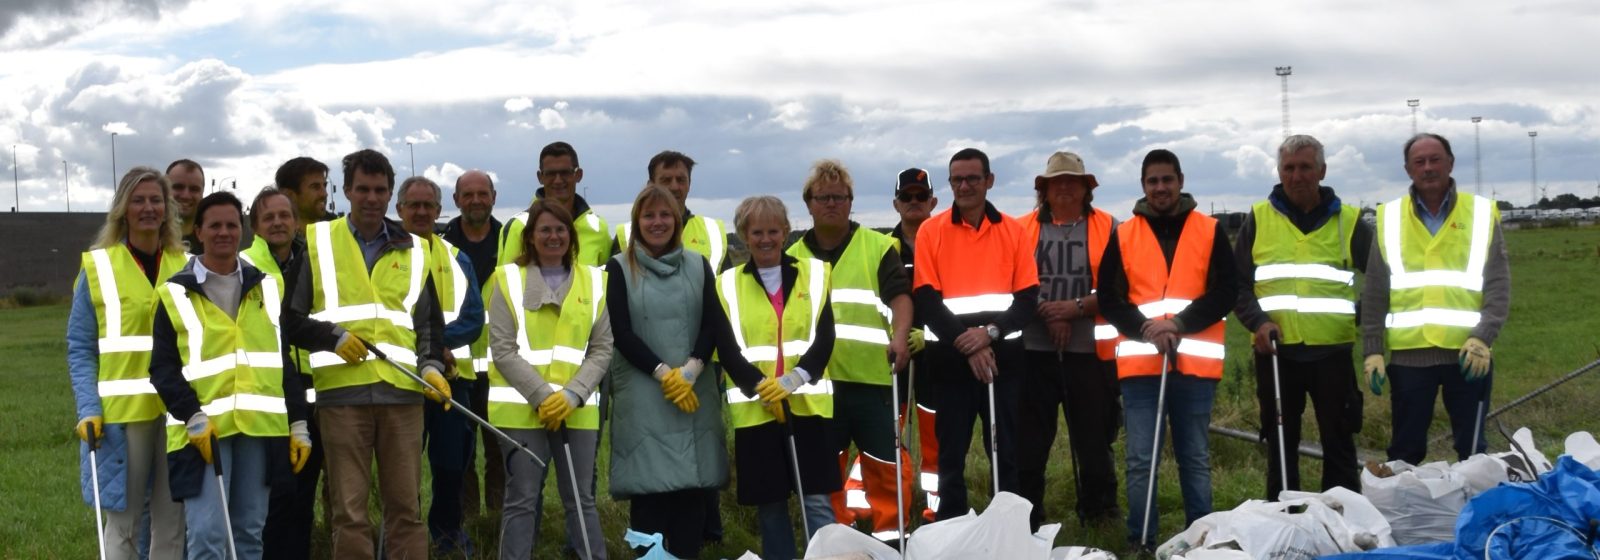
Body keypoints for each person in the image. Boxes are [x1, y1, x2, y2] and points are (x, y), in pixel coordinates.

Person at [279, 149, 452, 559]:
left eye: (379, 190)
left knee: (407, 511)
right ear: (348, 191)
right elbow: (289, 319)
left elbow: (428, 325)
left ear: (391, 194)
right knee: (350, 514)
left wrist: (430, 368)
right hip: (341, 399)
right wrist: (333, 337)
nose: (371, 198)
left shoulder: (415, 250)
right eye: (363, 189)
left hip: (403, 396)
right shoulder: (317, 243)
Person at [149, 191, 313, 559]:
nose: (224, 232)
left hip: (260, 430)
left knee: (249, 534)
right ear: (199, 231)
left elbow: (282, 362)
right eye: (215, 225)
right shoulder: (174, 293)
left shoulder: (266, 287)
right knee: (207, 536)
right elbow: (162, 368)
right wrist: (192, 417)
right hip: (204, 432)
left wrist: (299, 424)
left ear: (242, 230)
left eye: (231, 225)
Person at [1098, 149, 1236, 551]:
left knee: (1195, 458)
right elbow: (1109, 297)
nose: (1160, 188)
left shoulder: (1208, 230)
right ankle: (1141, 540)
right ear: (1143, 186)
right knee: (1141, 461)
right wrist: (1144, 328)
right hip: (1142, 366)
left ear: (1180, 180)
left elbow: (1226, 291)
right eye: (1152, 181)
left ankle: (1202, 541)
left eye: (1167, 180)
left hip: (1195, 364)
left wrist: (1179, 324)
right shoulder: (1123, 234)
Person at [1362, 133, 1510, 464]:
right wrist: (1372, 350)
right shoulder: (1389, 217)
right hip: (1409, 359)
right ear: (1408, 169)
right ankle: (1405, 514)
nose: (1428, 168)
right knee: (1405, 451)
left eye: (1435, 159)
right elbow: (1374, 291)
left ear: (1451, 163)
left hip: (1469, 355)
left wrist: (1483, 338)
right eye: (1420, 162)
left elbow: (1499, 284)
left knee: (1473, 450)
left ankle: (1473, 514)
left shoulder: (1481, 213)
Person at [1234, 135, 1370, 496]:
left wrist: (1358, 314)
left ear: (1321, 171)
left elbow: (1384, 278)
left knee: (1339, 442)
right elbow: (1236, 284)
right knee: (1280, 445)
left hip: (1333, 353)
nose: (1297, 176)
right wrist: (1258, 323)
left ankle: (1344, 526)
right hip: (1277, 355)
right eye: (1289, 168)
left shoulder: (1349, 221)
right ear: (1279, 172)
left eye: (1305, 167)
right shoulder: (1259, 219)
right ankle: (1284, 518)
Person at [786, 159, 914, 543]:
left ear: (850, 202)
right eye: (823, 197)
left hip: (873, 378)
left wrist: (902, 335)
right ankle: (838, 542)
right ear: (808, 203)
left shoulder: (876, 247)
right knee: (829, 469)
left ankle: (893, 540)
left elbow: (901, 297)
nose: (831, 204)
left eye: (839, 197)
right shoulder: (792, 256)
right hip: (818, 386)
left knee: (884, 465)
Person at [67, 166, 189, 560]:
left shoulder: (186, 266)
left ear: (168, 209)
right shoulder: (97, 268)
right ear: (123, 209)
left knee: (173, 523)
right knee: (123, 524)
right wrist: (88, 408)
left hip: (177, 413)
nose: (148, 208)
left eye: (156, 200)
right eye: (138, 200)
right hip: (123, 416)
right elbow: (80, 346)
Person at [612, 150, 733, 545]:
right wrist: (664, 373)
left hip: (692, 389)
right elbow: (621, 330)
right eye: (649, 216)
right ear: (636, 222)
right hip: (645, 391)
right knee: (650, 489)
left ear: (677, 221)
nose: (658, 222)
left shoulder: (699, 265)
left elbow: (713, 322)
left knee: (690, 485)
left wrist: (692, 370)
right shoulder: (618, 267)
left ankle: (689, 549)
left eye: (665, 216)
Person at [913, 148, 1037, 521]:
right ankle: (951, 529)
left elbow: (1028, 298)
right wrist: (968, 345)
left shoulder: (1014, 231)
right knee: (950, 456)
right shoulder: (931, 231)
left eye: (972, 178)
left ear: (989, 180)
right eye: (957, 179)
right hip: (950, 364)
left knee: (1006, 452)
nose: (964, 186)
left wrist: (989, 334)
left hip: (1005, 363)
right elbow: (927, 300)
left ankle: (1008, 528)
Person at [712, 195, 839, 560]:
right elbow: (728, 348)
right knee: (771, 509)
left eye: (773, 231)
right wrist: (762, 388)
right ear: (744, 236)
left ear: (785, 232)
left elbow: (825, 338)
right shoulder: (727, 284)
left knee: (816, 501)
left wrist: (793, 381)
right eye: (756, 232)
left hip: (807, 406)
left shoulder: (815, 274)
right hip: (757, 413)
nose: (765, 239)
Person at [485, 198, 612, 560]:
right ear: (530, 237)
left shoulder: (595, 281)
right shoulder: (507, 279)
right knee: (522, 499)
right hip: (522, 411)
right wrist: (542, 395)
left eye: (560, 229)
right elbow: (503, 348)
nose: (553, 236)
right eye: (545, 230)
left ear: (571, 236)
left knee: (580, 498)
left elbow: (602, 348)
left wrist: (572, 395)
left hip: (577, 409)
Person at [1015, 151, 1122, 528]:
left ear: (1085, 187)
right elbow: (1014, 284)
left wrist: (1073, 309)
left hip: (1091, 353)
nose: (1063, 186)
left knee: (1094, 439)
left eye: (1071, 180)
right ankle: (1028, 518)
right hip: (1033, 351)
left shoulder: (1110, 228)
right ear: (1042, 189)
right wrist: (1049, 313)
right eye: (1054, 181)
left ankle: (1100, 512)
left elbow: (1118, 290)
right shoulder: (1020, 228)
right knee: (1030, 442)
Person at [397, 176, 486, 553]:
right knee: (402, 472)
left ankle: (447, 534)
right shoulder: (386, 254)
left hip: (452, 385)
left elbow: (473, 318)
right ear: (400, 210)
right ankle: (403, 539)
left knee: (452, 466)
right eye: (413, 205)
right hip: (403, 385)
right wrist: (428, 350)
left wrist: (441, 346)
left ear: (438, 210)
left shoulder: (455, 257)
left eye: (428, 205)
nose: (421, 211)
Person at [259, 158, 332, 560]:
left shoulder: (322, 250)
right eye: (315, 186)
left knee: (305, 490)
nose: (323, 193)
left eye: (324, 185)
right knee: (276, 491)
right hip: (270, 390)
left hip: (318, 382)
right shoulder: (250, 263)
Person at [441, 169, 506, 520]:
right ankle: (467, 520)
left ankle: (497, 520)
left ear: (494, 197)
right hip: (457, 369)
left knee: (499, 450)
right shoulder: (442, 245)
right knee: (461, 452)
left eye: (483, 194)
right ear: (456, 201)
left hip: (501, 369)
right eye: (468, 195)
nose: (476, 200)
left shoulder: (511, 241)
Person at [888, 167, 940, 522]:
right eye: (907, 197)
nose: (914, 202)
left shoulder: (945, 240)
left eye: (920, 196)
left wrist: (932, 336)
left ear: (932, 201)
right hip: (896, 354)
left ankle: (937, 508)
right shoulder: (883, 247)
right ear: (896, 203)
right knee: (890, 435)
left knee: (936, 436)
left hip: (936, 352)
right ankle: (892, 504)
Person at [499, 142, 613, 268]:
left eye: (565, 173)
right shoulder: (518, 226)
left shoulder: (598, 228)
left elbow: (606, 282)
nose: (558, 180)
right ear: (540, 177)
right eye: (550, 174)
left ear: (578, 175)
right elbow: (506, 282)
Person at [615, 151, 731, 270]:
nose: (674, 187)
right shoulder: (626, 234)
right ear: (650, 186)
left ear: (689, 184)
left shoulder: (713, 232)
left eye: (681, 180)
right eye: (666, 180)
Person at [274, 157, 336, 225]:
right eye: (315, 187)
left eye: (324, 185)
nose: (324, 194)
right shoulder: (272, 232)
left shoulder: (337, 226)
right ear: (289, 195)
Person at [167, 159, 206, 254]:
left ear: (202, 193)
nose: (186, 196)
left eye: (194, 189)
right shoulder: (150, 241)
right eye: (178, 187)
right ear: (164, 190)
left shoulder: (211, 243)